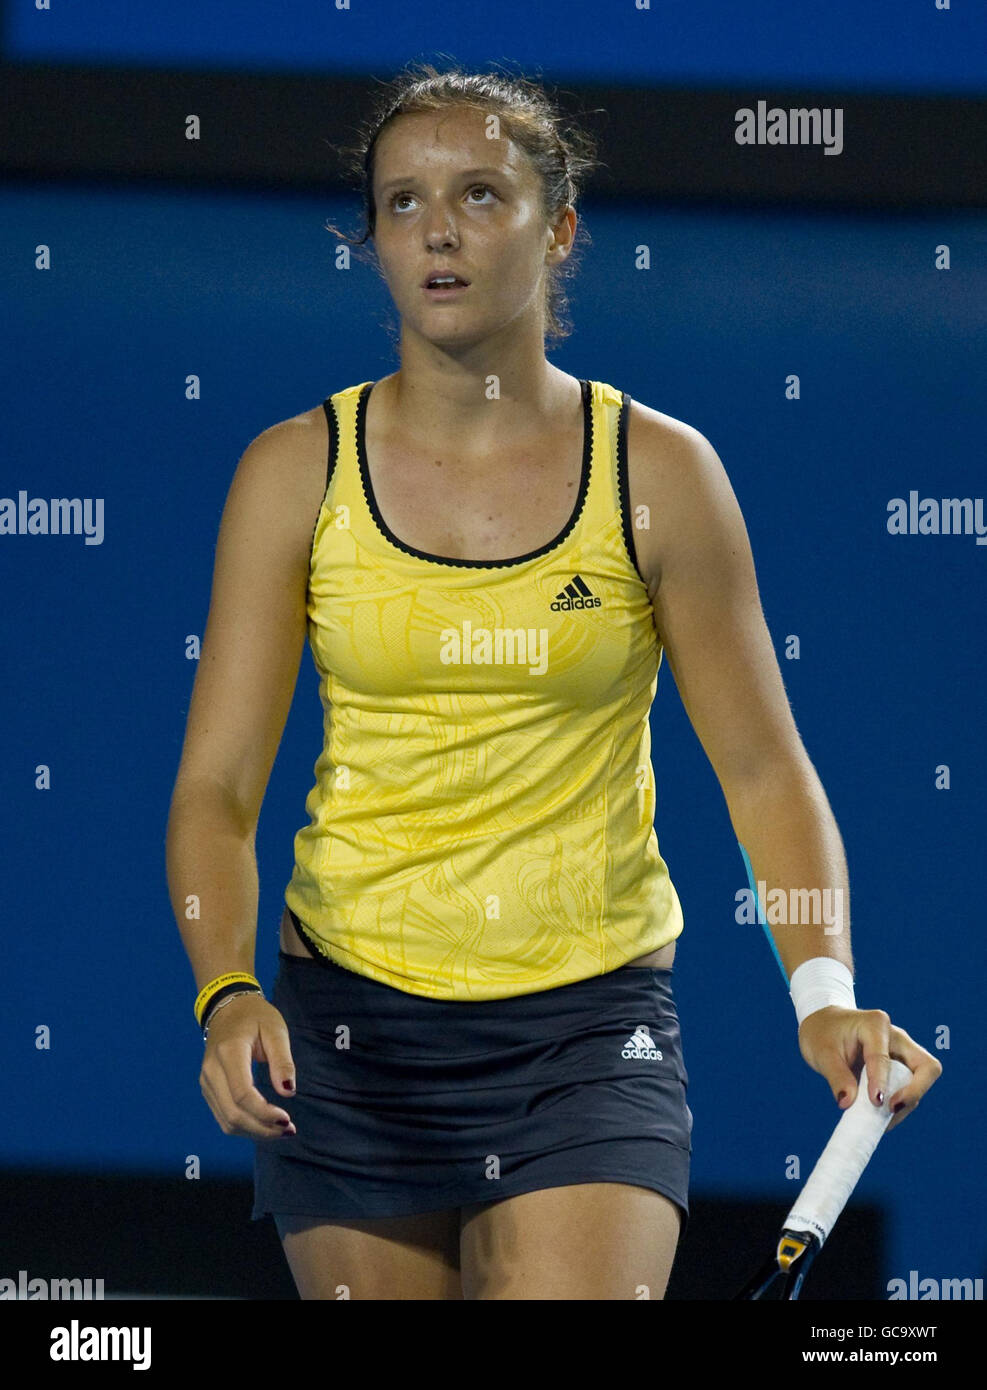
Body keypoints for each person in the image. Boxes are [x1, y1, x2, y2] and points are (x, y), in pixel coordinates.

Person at [166, 63, 942, 1301]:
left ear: (561, 224)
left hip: (591, 1031)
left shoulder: (665, 476)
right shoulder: (290, 475)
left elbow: (762, 769)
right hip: (350, 1032)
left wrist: (825, 992)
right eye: (404, 202)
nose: (438, 230)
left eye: (480, 193)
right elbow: (216, 786)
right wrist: (226, 988)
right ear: (369, 238)